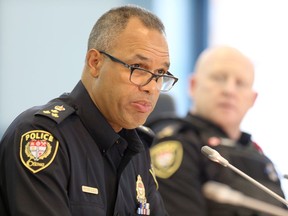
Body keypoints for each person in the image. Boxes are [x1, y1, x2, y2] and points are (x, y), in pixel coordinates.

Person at [0, 5, 178, 216]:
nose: (152, 86)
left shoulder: (137, 149)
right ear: (95, 63)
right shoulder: (43, 138)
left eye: (160, 73)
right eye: (138, 68)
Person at [149, 46, 286, 216]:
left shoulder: (260, 158)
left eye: (240, 83)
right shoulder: (178, 145)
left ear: (252, 99)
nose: (229, 90)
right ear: (193, 85)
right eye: (218, 78)